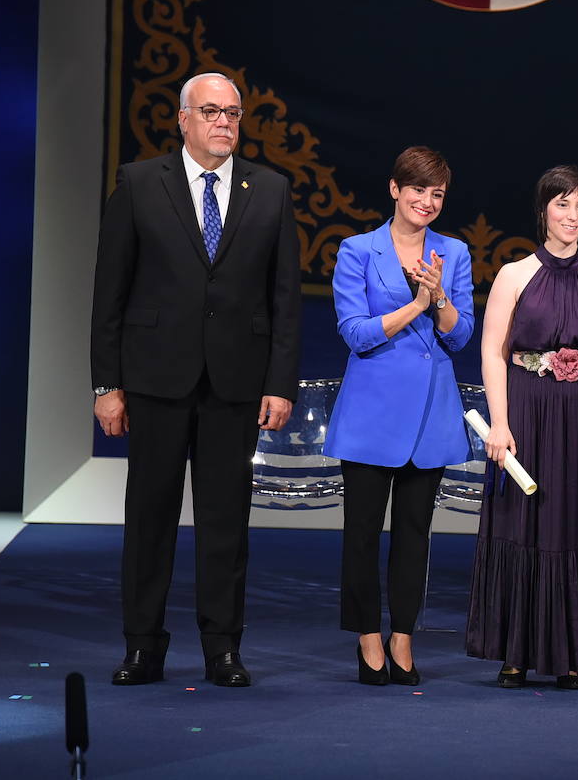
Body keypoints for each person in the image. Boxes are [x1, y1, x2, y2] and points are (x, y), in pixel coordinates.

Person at [90, 72, 301, 688]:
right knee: (149, 516)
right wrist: (107, 384)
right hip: (154, 377)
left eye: (233, 112)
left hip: (235, 381)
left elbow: (285, 296)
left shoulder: (270, 189)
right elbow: (110, 292)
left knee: (225, 522)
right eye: (210, 111)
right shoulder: (137, 183)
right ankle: (142, 647)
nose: (223, 122)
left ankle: (222, 649)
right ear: (182, 119)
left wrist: (280, 382)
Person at [465, 165, 578, 689]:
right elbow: (493, 353)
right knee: (524, 524)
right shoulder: (514, 275)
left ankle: (573, 655)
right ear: (544, 211)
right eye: (563, 205)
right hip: (529, 412)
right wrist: (500, 423)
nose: (573, 216)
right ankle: (515, 652)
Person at [323, 146, 475, 685]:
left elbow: (460, 336)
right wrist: (415, 304)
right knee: (362, 533)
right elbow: (356, 333)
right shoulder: (357, 250)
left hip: (430, 413)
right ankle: (367, 638)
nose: (426, 202)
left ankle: (403, 637)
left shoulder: (453, 253)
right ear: (394, 189)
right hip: (370, 413)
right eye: (417, 190)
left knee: (416, 533)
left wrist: (439, 301)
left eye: (437, 194)